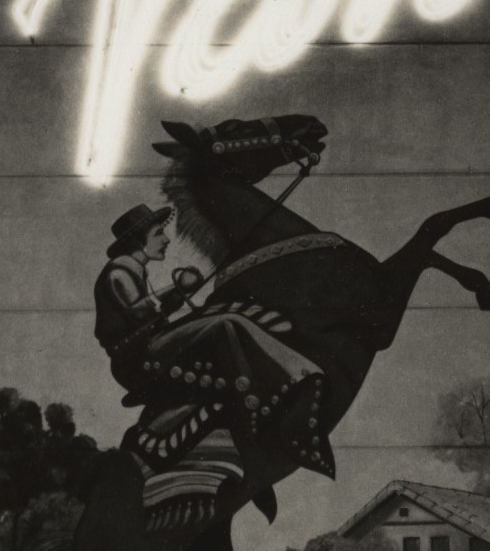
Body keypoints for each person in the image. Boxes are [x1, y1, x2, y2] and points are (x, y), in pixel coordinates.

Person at [94, 201, 327, 527]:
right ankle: (292, 378)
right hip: (139, 360)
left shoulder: (135, 270)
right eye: (158, 233)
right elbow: (139, 314)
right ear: (139, 241)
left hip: (149, 348)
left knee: (221, 317)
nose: (165, 239)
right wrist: (177, 286)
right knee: (225, 323)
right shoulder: (120, 271)